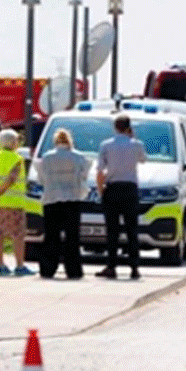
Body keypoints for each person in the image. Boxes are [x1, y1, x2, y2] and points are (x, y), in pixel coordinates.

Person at [37, 128, 92, 280]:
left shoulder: (47, 157)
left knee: (51, 237)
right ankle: (74, 270)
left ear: (55, 141)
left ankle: (47, 269)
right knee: (72, 238)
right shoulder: (79, 157)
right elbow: (84, 176)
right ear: (70, 141)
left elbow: (42, 179)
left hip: (51, 199)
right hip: (72, 199)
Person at [96, 114, 147, 280]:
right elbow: (143, 160)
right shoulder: (137, 145)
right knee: (132, 230)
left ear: (115, 127)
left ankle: (111, 266)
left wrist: (101, 190)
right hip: (130, 189)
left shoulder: (106, 145)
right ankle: (134, 267)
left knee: (112, 231)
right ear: (129, 127)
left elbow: (100, 171)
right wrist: (133, 138)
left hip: (113, 188)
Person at [0, 128, 34, 276]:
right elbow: (12, 177)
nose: (18, 143)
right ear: (12, 143)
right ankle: (19, 266)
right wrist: (2, 190)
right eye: (17, 140)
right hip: (14, 203)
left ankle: (0, 265)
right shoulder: (17, 159)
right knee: (17, 235)